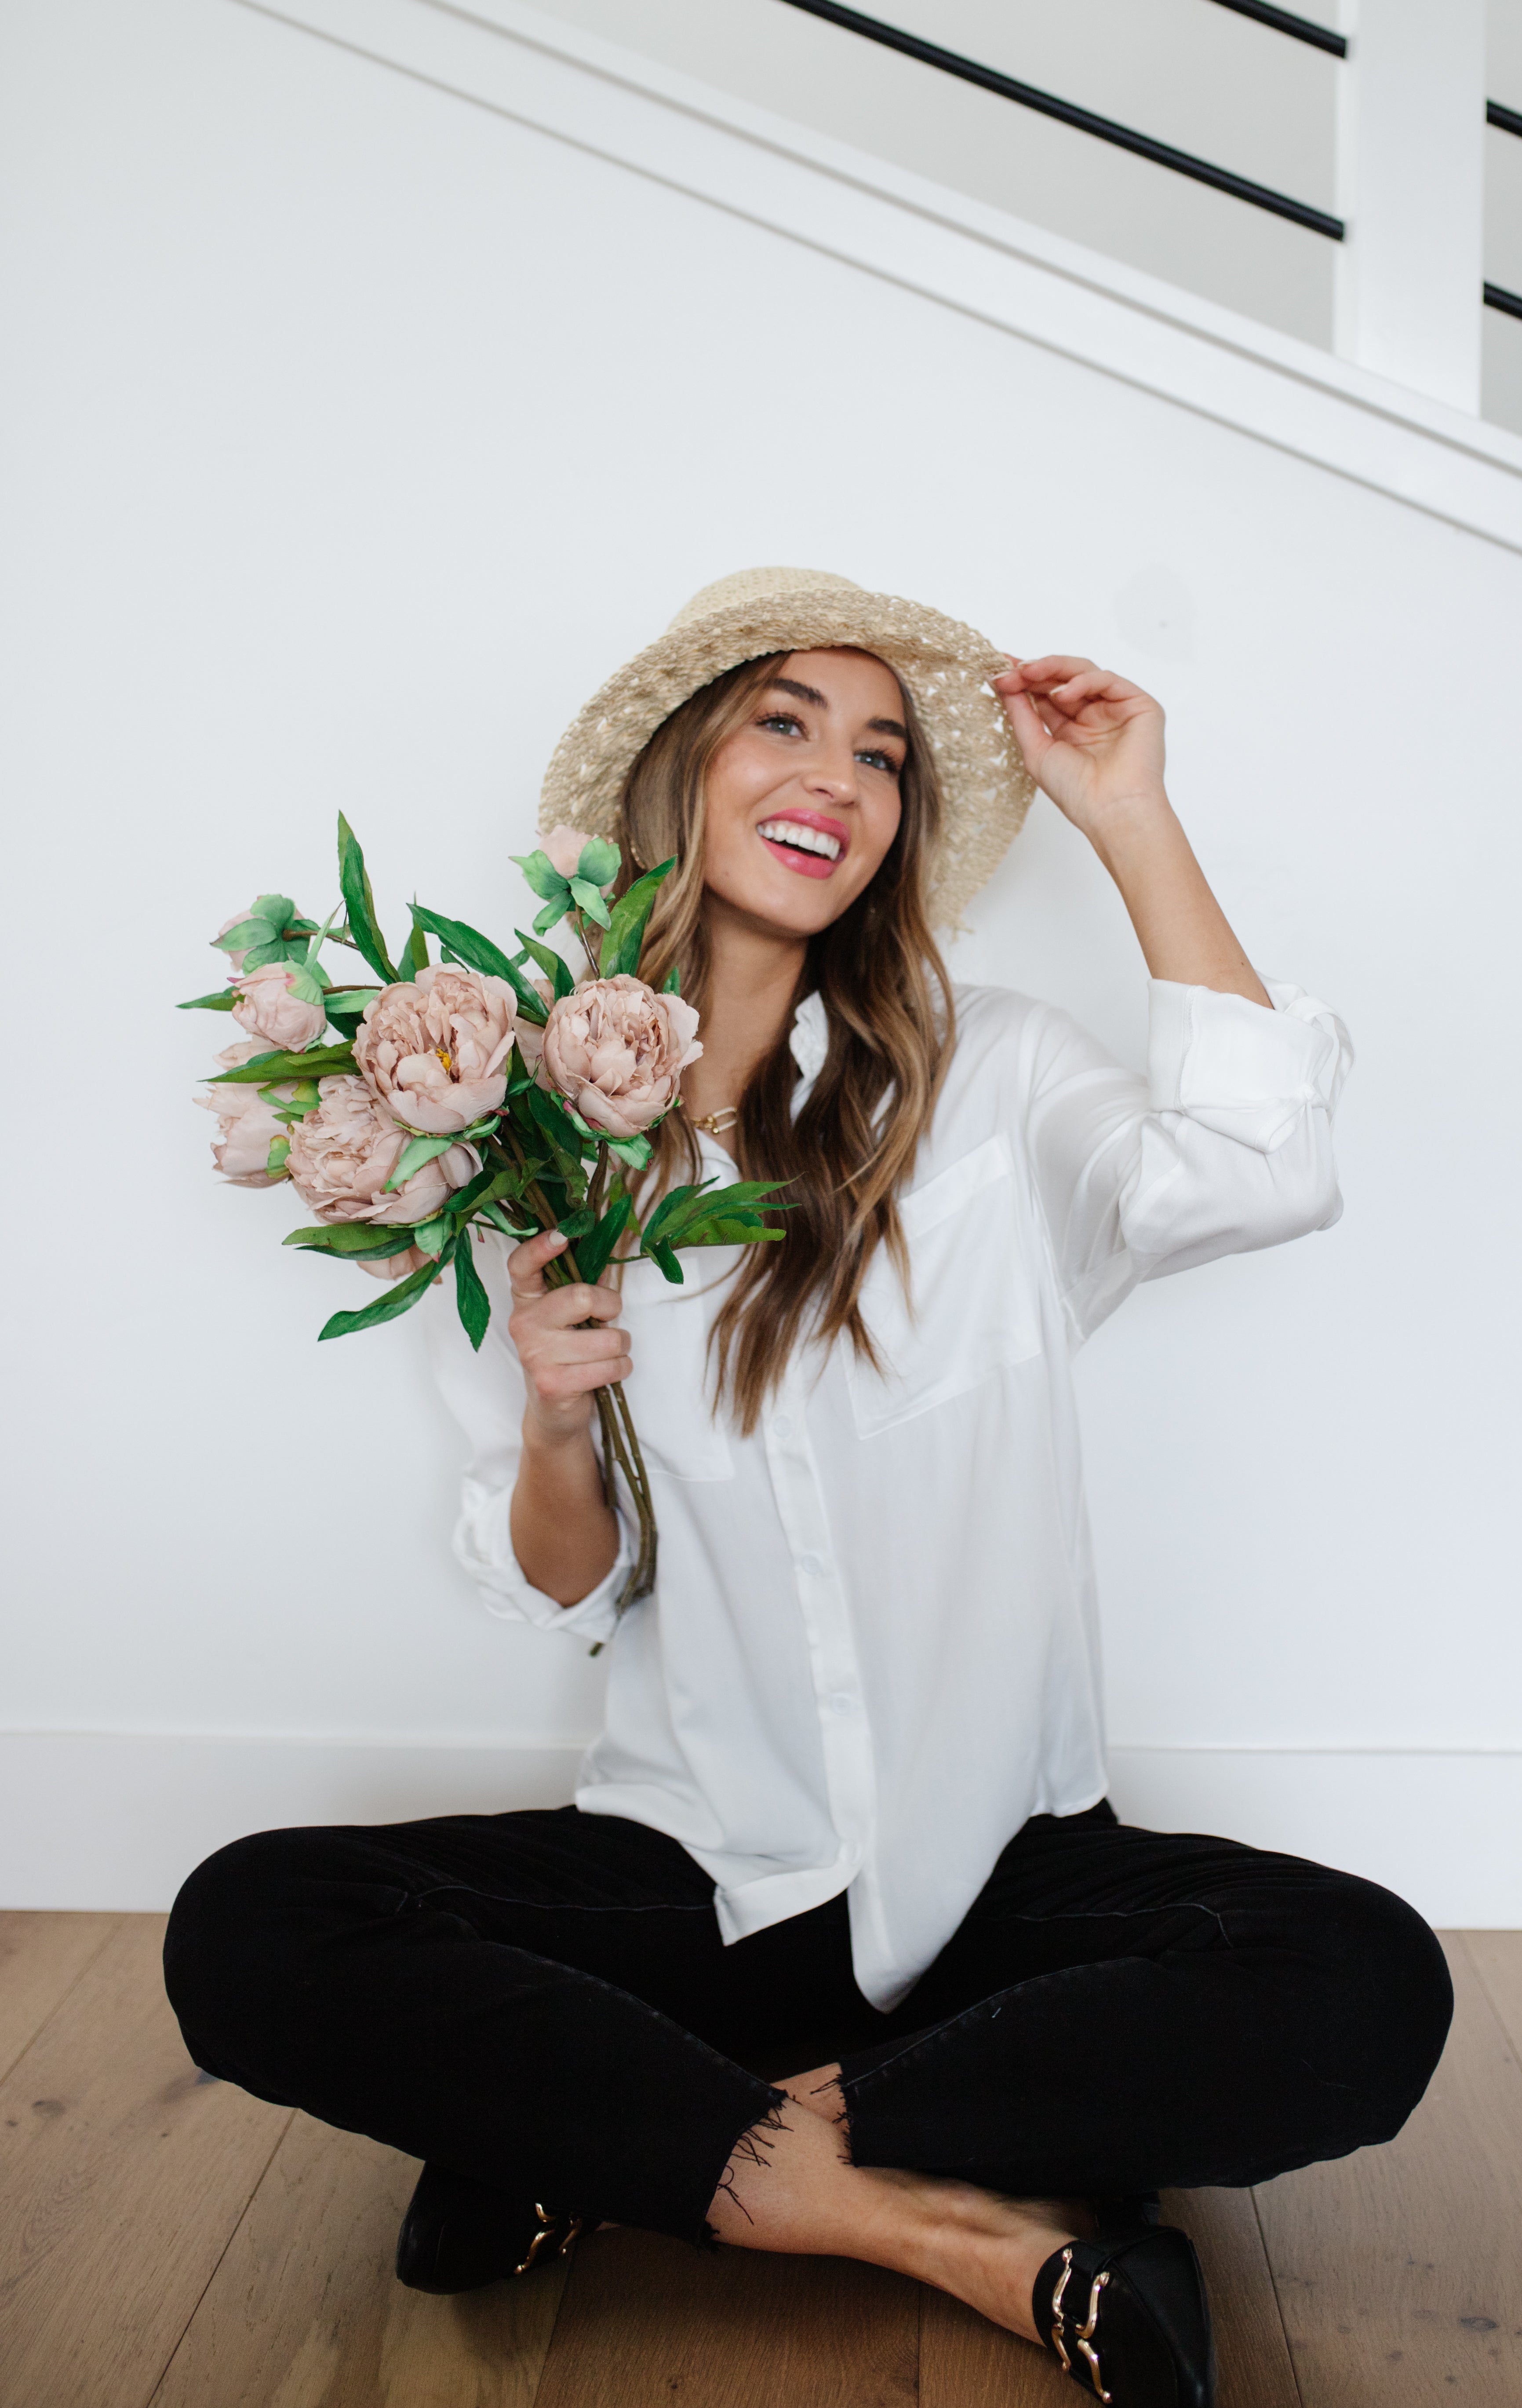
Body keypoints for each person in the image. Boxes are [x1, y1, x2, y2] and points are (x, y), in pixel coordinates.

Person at [165, 568, 1451, 2402]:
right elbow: (562, 1586)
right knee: (251, 1923)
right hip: (702, 1875)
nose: (836, 776)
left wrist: (1127, 816)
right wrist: (547, 1416)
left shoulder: (991, 1080)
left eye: (883, 755)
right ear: (686, 772)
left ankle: (626, 2142)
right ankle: (951, 2226)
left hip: (1004, 1879)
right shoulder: (534, 1150)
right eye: (786, 720)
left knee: (1365, 1979)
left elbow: (1257, 1171)